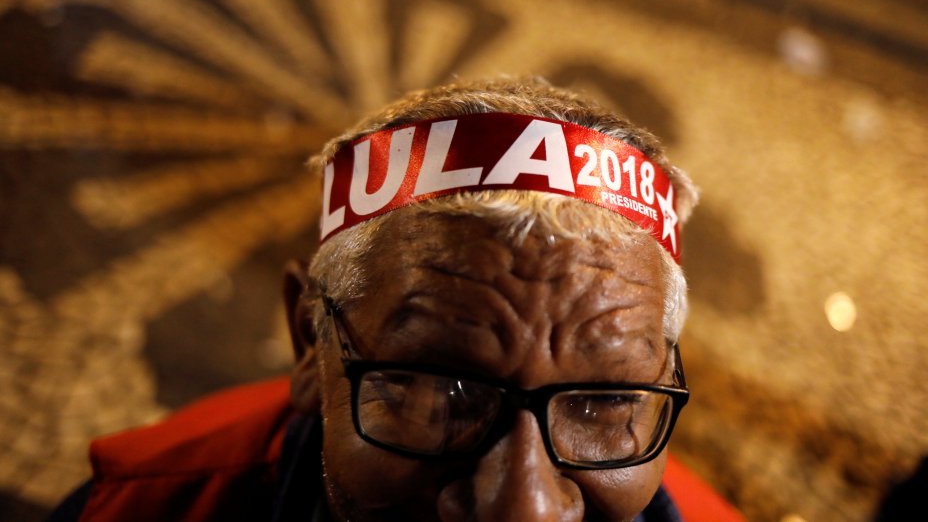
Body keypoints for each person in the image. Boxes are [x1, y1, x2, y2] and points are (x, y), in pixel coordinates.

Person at [49, 77, 743, 521]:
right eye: (443, 390)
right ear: (308, 341)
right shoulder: (139, 506)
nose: (523, 506)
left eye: (603, 401)